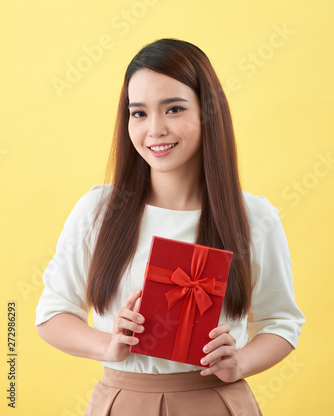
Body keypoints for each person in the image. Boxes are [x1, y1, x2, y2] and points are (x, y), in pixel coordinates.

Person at [35, 38, 305, 415]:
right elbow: (52, 313)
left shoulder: (254, 217)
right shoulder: (98, 210)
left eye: (173, 108)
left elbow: (281, 321)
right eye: (139, 113)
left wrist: (239, 362)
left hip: (216, 402)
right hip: (122, 401)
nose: (155, 129)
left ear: (208, 112)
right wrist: (108, 344)